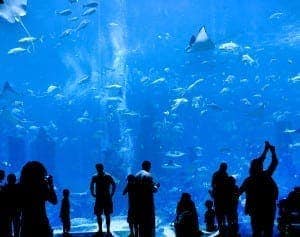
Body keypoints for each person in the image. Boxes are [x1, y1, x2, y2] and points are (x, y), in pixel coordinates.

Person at [239, 141, 278, 237]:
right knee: (268, 231)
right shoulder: (266, 175)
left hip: (255, 210)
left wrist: (266, 150)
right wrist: (271, 151)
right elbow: (274, 163)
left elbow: (238, 192)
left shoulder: (248, 180)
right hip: (268, 208)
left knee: (256, 231)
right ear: (261, 167)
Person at [19, 161, 58, 237]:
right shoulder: (42, 187)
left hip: (26, 224)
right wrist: (50, 185)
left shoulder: (21, 187)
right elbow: (54, 201)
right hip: (41, 223)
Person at [90, 163, 116, 237]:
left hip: (105, 197)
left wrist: (112, 193)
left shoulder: (107, 176)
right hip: (100, 198)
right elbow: (91, 186)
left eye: (99, 168)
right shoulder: (95, 177)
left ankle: (107, 230)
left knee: (107, 214)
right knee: (99, 214)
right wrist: (92, 193)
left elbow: (114, 184)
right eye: (97, 168)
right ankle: (100, 230)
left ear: (102, 168)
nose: (98, 169)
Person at [135, 160, 160, 237]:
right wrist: (156, 186)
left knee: (140, 223)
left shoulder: (136, 175)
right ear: (149, 166)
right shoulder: (148, 175)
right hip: (147, 203)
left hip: (138, 202)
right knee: (149, 223)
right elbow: (153, 190)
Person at [211, 162, 229, 231]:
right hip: (221, 196)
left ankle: (221, 225)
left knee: (219, 211)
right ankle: (222, 225)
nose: (225, 169)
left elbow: (213, 184)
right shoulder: (225, 174)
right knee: (221, 211)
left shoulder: (216, 174)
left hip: (219, 195)